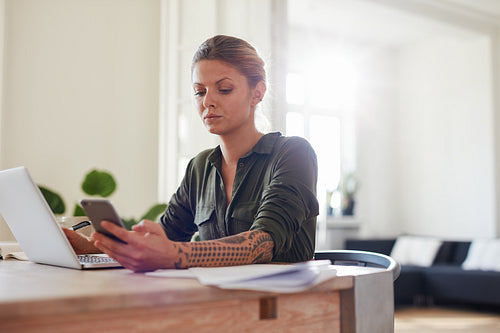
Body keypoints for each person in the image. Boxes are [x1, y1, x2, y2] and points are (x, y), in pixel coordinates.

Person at [64, 35, 319, 272]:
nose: (207, 101)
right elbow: (165, 238)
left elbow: (261, 244)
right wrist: (90, 247)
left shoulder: (293, 154)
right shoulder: (200, 167)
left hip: (283, 308)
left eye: (225, 89)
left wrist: (176, 254)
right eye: (199, 91)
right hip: (214, 302)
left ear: (257, 93)